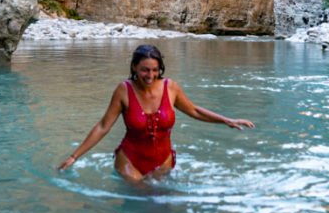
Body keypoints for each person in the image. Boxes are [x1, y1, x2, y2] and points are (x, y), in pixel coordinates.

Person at [57, 44, 254, 182]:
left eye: (155, 70)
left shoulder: (171, 87)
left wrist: (227, 120)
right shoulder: (123, 90)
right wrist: (74, 157)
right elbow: (103, 126)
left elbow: (193, 110)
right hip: (130, 161)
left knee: (161, 211)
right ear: (134, 67)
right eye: (144, 70)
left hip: (163, 160)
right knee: (139, 206)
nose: (150, 76)